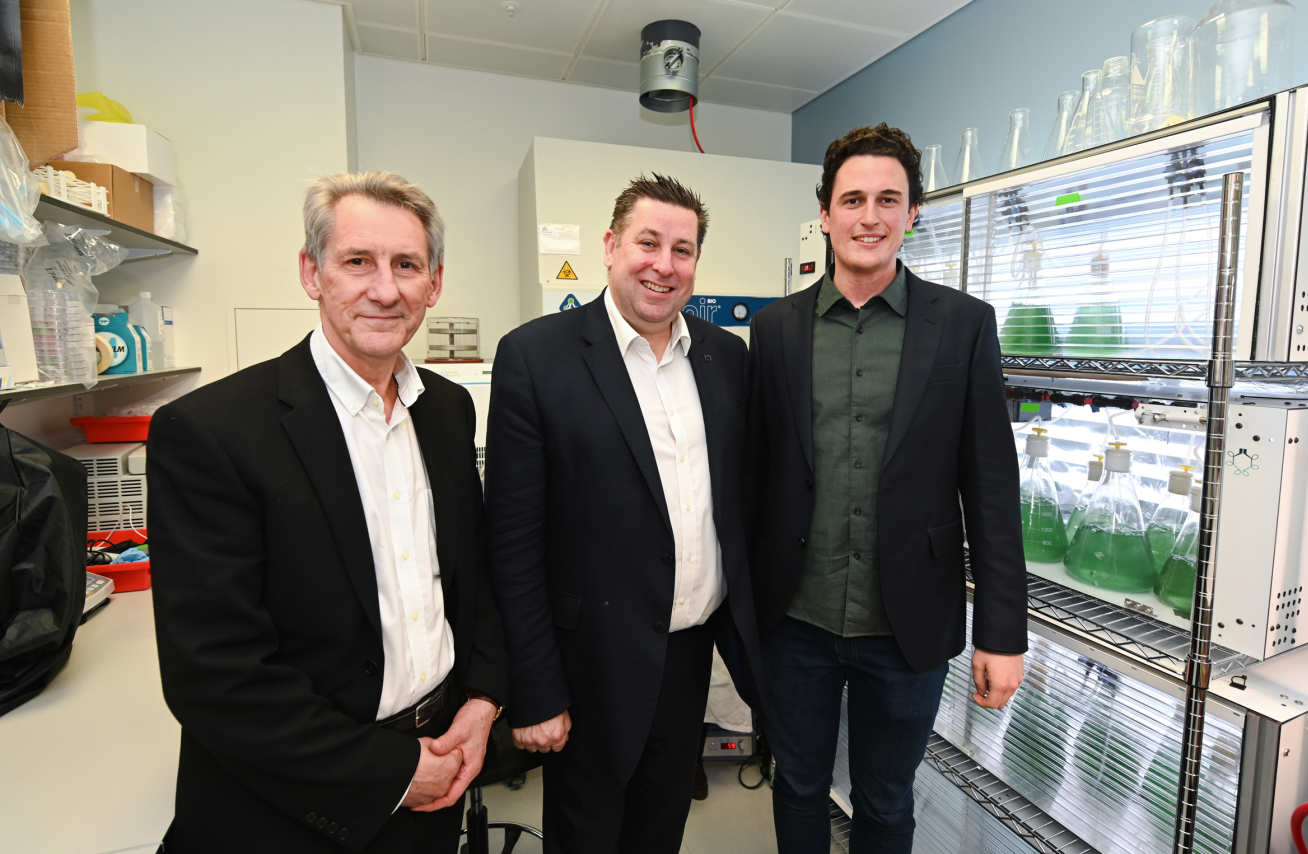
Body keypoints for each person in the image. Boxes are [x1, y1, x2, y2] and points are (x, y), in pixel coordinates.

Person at [148, 171, 506, 853]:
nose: (385, 289)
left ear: (434, 284)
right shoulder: (213, 432)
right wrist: (393, 773)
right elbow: (213, 675)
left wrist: (482, 701)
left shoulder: (447, 409)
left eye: (407, 266)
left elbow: (473, 580)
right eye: (357, 261)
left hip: (439, 769)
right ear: (312, 273)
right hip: (290, 806)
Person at [747, 124, 1028, 853]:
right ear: (825, 214)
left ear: (913, 213)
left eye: (887, 200)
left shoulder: (962, 326)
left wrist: (1002, 634)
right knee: (797, 785)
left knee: (886, 798)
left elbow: (991, 488)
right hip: (796, 621)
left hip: (907, 623)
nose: (868, 217)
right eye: (852, 200)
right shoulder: (775, 330)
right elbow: (755, 477)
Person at [485, 173, 763, 854]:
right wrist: (536, 690)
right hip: (590, 662)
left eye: (682, 250)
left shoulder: (725, 357)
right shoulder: (537, 356)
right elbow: (513, 542)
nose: (664, 265)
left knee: (660, 829)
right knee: (587, 835)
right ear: (611, 246)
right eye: (648, 243)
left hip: (689, 651)